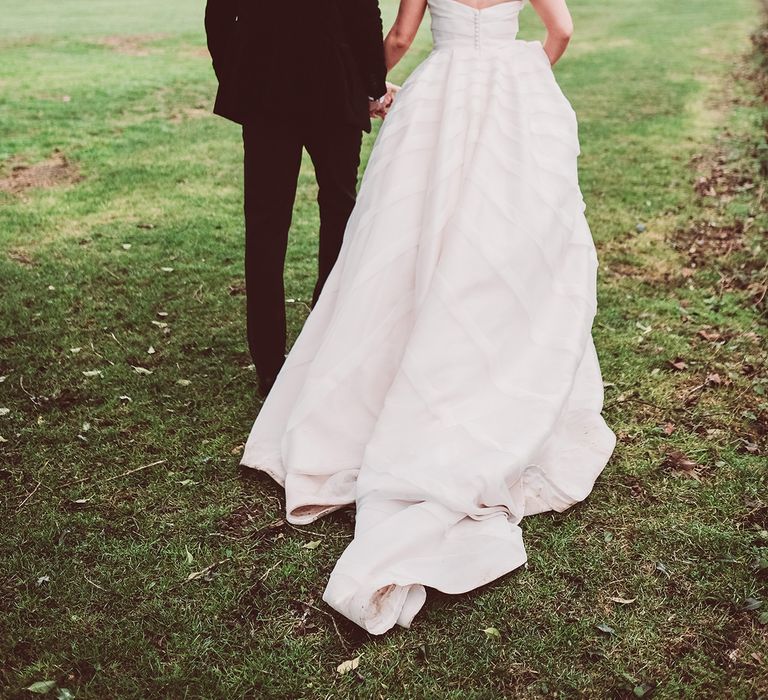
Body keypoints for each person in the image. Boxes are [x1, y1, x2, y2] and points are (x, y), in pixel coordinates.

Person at [240, 0, 617, 634]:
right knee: (499, 236)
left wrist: (370, 87)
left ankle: (402, 354)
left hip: (441, 92)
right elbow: (563, 30)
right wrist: (524, 71)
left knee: (409, 232)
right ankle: (484, 354)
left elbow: (399, 36)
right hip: (509, 93)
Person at [204, 0, 392, 397]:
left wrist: (239, 73)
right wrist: (373, 85)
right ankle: (322, 347)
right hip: (333, 86)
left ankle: (270, 366)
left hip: (268, 90)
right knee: (338, 216)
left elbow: (219, 16)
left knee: (267, 228)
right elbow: (364, 15)